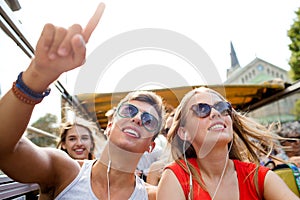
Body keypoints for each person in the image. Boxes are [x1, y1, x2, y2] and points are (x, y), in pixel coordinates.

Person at [0, 3, 165, 199]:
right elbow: (5, 150)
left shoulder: (154, 196)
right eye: (129, 111)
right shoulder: (65, 172)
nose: (138, 119)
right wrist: (36, 76)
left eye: (149, 121)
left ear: (151, 146)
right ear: (109, 125)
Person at [157, 87, 299, 200]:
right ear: (184, 132)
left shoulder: (258, 177)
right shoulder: (175, 177)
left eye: (222, 107)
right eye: (201, 109)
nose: (215, 113)